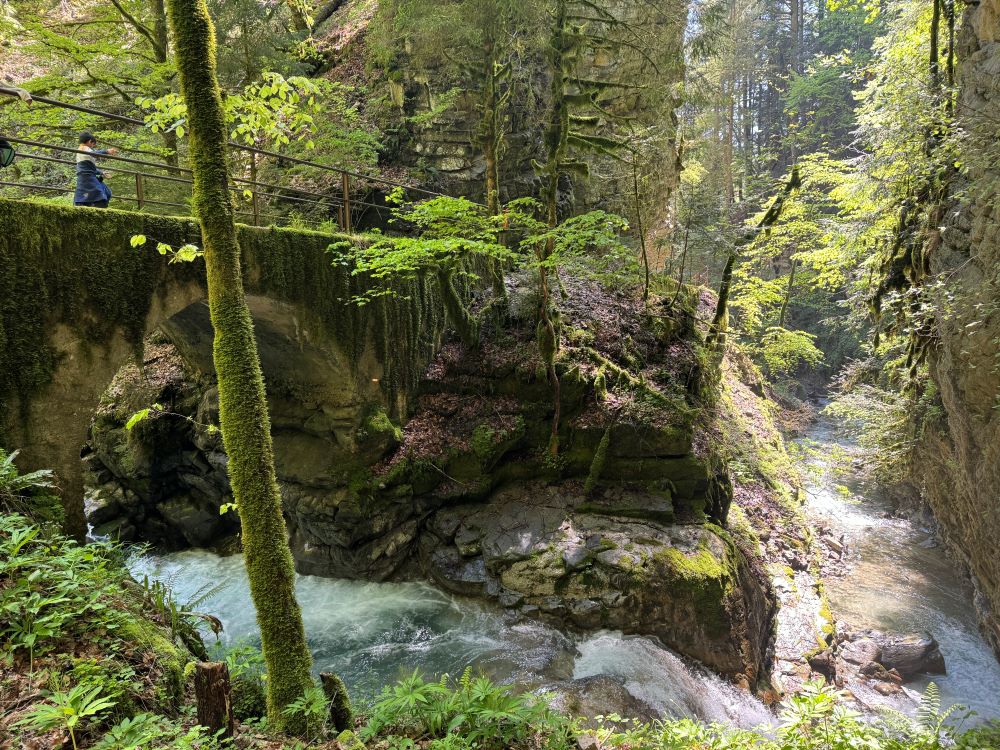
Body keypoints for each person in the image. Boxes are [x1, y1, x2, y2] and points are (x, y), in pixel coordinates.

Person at [74, 132, 117, 208]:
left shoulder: (83, 150)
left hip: (90, 175)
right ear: (90, 141)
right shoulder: (84, 148)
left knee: (107, 192)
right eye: (93, 145)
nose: (92, 147)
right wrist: (106, 151)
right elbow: (94, 154)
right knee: (101, 194)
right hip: (88, 177)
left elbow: (89, 166)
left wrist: (101, 173)